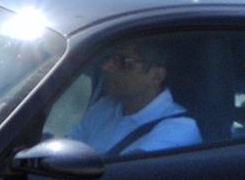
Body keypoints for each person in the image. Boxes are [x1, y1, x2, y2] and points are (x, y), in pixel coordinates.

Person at [68, 38, 201, 157]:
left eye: (123, 62)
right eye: (109, 57)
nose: (106, 66)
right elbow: (68, 148)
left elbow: (125, 174)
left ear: (157, 76)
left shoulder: (179, 129)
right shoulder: (105, 106)